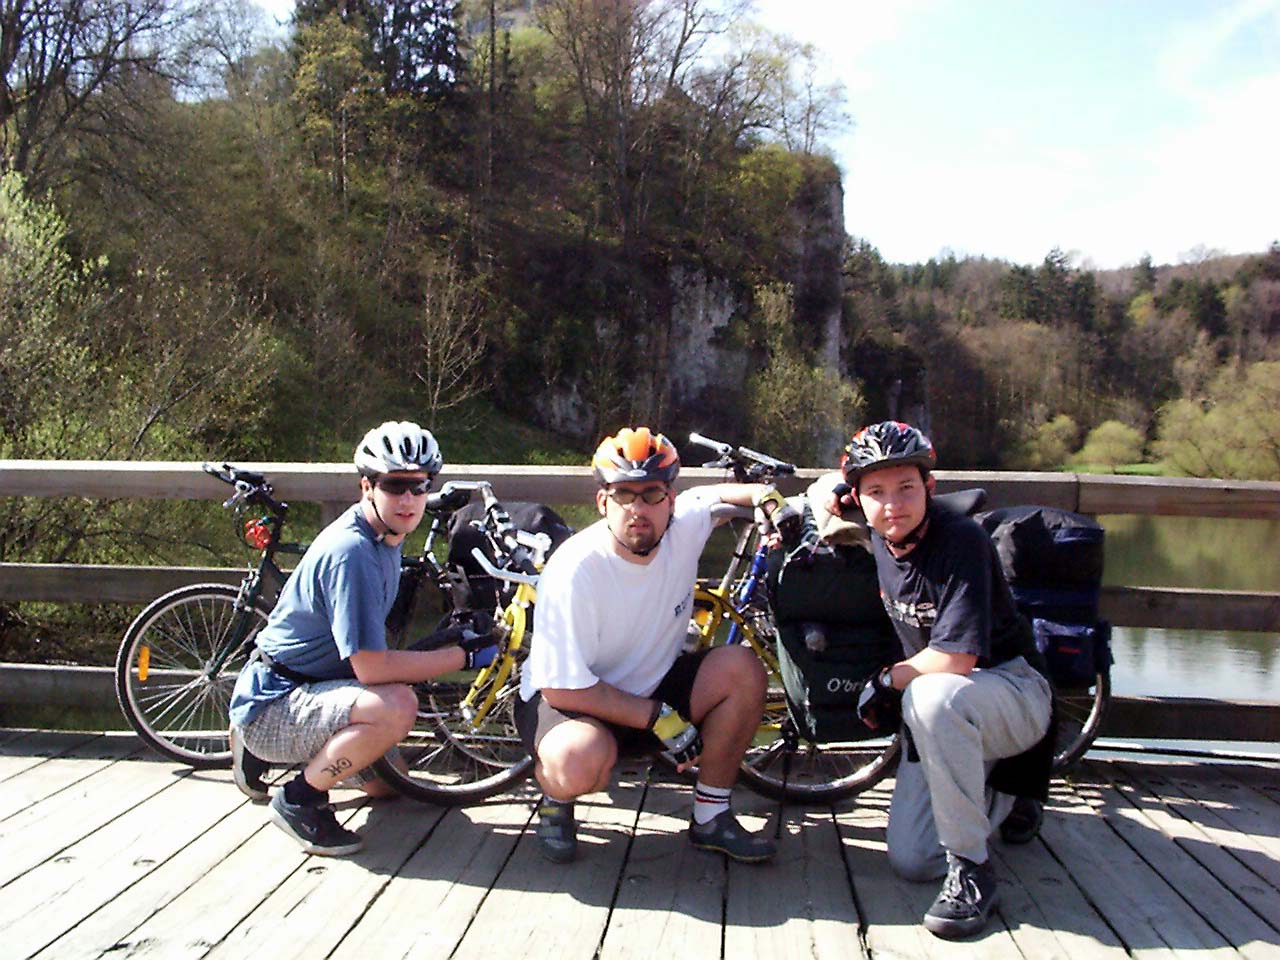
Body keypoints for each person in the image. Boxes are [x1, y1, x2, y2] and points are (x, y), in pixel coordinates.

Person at [516, 426, 789, 865]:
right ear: (603, 501)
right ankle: (554, 800)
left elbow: (727, 493)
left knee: (742, 669)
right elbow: (560, 688)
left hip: (653, 687)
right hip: (574, 703)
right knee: (576, 760)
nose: (638, 508)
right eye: (624, 494)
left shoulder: (686, 525)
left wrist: (769, 500)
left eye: (652, 494)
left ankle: (711, 817)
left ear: (671, 500)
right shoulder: (573, 570)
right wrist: (659, 717)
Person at [229, 420, 499, 856]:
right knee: (397, 707)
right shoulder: (352, 552)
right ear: (367, 487)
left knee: (390, 786)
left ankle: (268, 756)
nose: (408, 499)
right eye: (394, 486)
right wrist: (462, 657)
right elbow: (372, 668)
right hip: (276, 701)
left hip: (316, 685)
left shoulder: (385, 534)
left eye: (419, 486)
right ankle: (299, 800)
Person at [830, 420, 1053, 939]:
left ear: (929, 487)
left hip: (1012, 691)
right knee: (913, 860)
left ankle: (973, 872)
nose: (893, 505)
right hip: (951, 709)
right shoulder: (880, 529)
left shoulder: (961, 540)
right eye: (876, 492)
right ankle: (1003, 797)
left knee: (929, 695)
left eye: (907, 487)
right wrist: (811, 505)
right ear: (857, 498)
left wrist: (886, 680)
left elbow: (956, 660)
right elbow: (824, 493)